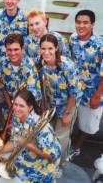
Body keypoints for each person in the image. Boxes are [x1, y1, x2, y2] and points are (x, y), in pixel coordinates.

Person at [0, 88, 61, 183]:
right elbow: (15, 141)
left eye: (21, 106)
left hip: (41, 166)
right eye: (15, 104)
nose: (16, 109)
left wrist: (26, 144)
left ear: (30, 107)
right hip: (23, 153)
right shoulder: (16, 116)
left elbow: (52, 156)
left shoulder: (43, 128)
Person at [35, 34, 81, 171]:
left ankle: (60, 165)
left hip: (67, 105)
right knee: (48, 134)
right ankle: (48, 160)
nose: (46, 52)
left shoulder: (67, 66)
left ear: (56, 48)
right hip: (51, 106)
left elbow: (74, 93)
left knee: (61, 138)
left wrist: (67, 113)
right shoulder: (41, 62)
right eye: (43, 48)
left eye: (50, 48)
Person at [68, 10, 103, 159]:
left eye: (85, 22)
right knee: (67, 122)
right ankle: (65, 144)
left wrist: (97, 95)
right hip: (72, 91)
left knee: (87, 125)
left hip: (91, 93)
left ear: (92, 24)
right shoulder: (72, 39)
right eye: (78, 22)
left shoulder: (100, 44)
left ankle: (77, 146)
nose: (81, 26)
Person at [0, 33, 41, 116]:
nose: (13, 53)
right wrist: (11, 109)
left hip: (28, 106)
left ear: (22, 49)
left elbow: (32, 95)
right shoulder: (2, 63)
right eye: (9, 50)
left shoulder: (29, 65)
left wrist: (19, 114)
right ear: (5, 49)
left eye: (16, 49)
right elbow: (3, 89)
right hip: (10, 104)